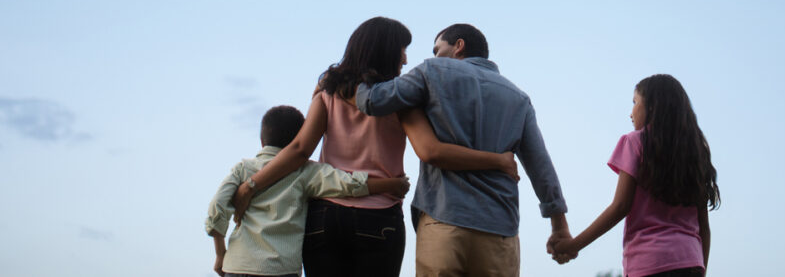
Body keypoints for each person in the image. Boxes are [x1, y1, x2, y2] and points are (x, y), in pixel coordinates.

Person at [231, 17, 517, 277]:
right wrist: (498, 160)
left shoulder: (329, 91)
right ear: (387, 51)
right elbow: (430, 150)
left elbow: (298, 151)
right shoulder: (403, 99)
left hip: (324, 217)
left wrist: (250, 186)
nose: (406, 58)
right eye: (402, 49)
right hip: (379, 217)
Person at [355, 22, 570, 277]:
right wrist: (559, 225)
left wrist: (353, 76)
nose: (434, 55)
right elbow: (540, 165)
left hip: (444, 220)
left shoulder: (432, 71)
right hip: (500, 230)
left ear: (459, 46)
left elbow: (372, 101)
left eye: (437, 49)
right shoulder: (518, 98)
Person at [205, 104, 410, 277]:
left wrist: (220, 253)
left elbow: (218, 206)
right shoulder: (305, 171)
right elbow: (347, 184)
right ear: (301, 140)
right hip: (281, 269)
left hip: (237, 265)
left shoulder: (243, 169)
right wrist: (392, 184)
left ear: (262, 141)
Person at [548, 74, 720, 277]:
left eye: (634, 102)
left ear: (652, 107)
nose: (630, 113)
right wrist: (701, 269)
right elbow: (704, 227)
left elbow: (620, 207)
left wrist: (573, 244)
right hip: (691, 262)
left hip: (650, 264)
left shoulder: (635, 142)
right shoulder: (696, 151)